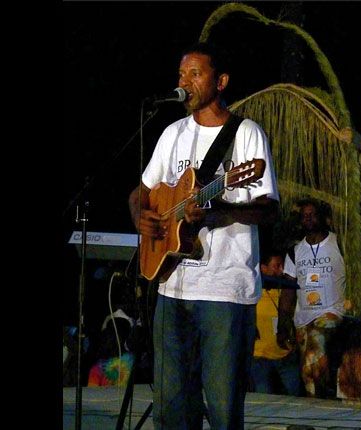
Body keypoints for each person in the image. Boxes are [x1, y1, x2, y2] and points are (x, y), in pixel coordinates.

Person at [127, 41, 279, 429]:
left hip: (224, 292)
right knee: (170, 409)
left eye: (195, 74)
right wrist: (142, 219)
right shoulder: (171, 133)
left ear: (221, 81)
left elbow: (268, 208)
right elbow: (140, 193)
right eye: (182, 75)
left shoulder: (246, 134)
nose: (185, 82)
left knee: (224, 411)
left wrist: (217, 211)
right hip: (170, 287)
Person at [282, 198, 346, 398]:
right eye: (304, 216)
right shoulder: (294, 252)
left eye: (313, 214)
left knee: (314, 352)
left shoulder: (339, 243)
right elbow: (288, 290)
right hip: (303, 319)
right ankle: (318, 403)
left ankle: (319, 399)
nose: (308, 219)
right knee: (309, 370)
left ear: (323, 218)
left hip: (331, 312)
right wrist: (283, 323)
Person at [250, 251, 302, 396]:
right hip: (259, 357)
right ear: (263, 268)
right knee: (264, 397)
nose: (281, 271)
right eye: (276, 266)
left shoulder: (287, 291)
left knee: (296, 395)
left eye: (282, 266)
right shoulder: (252, 291)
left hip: (285, 354)